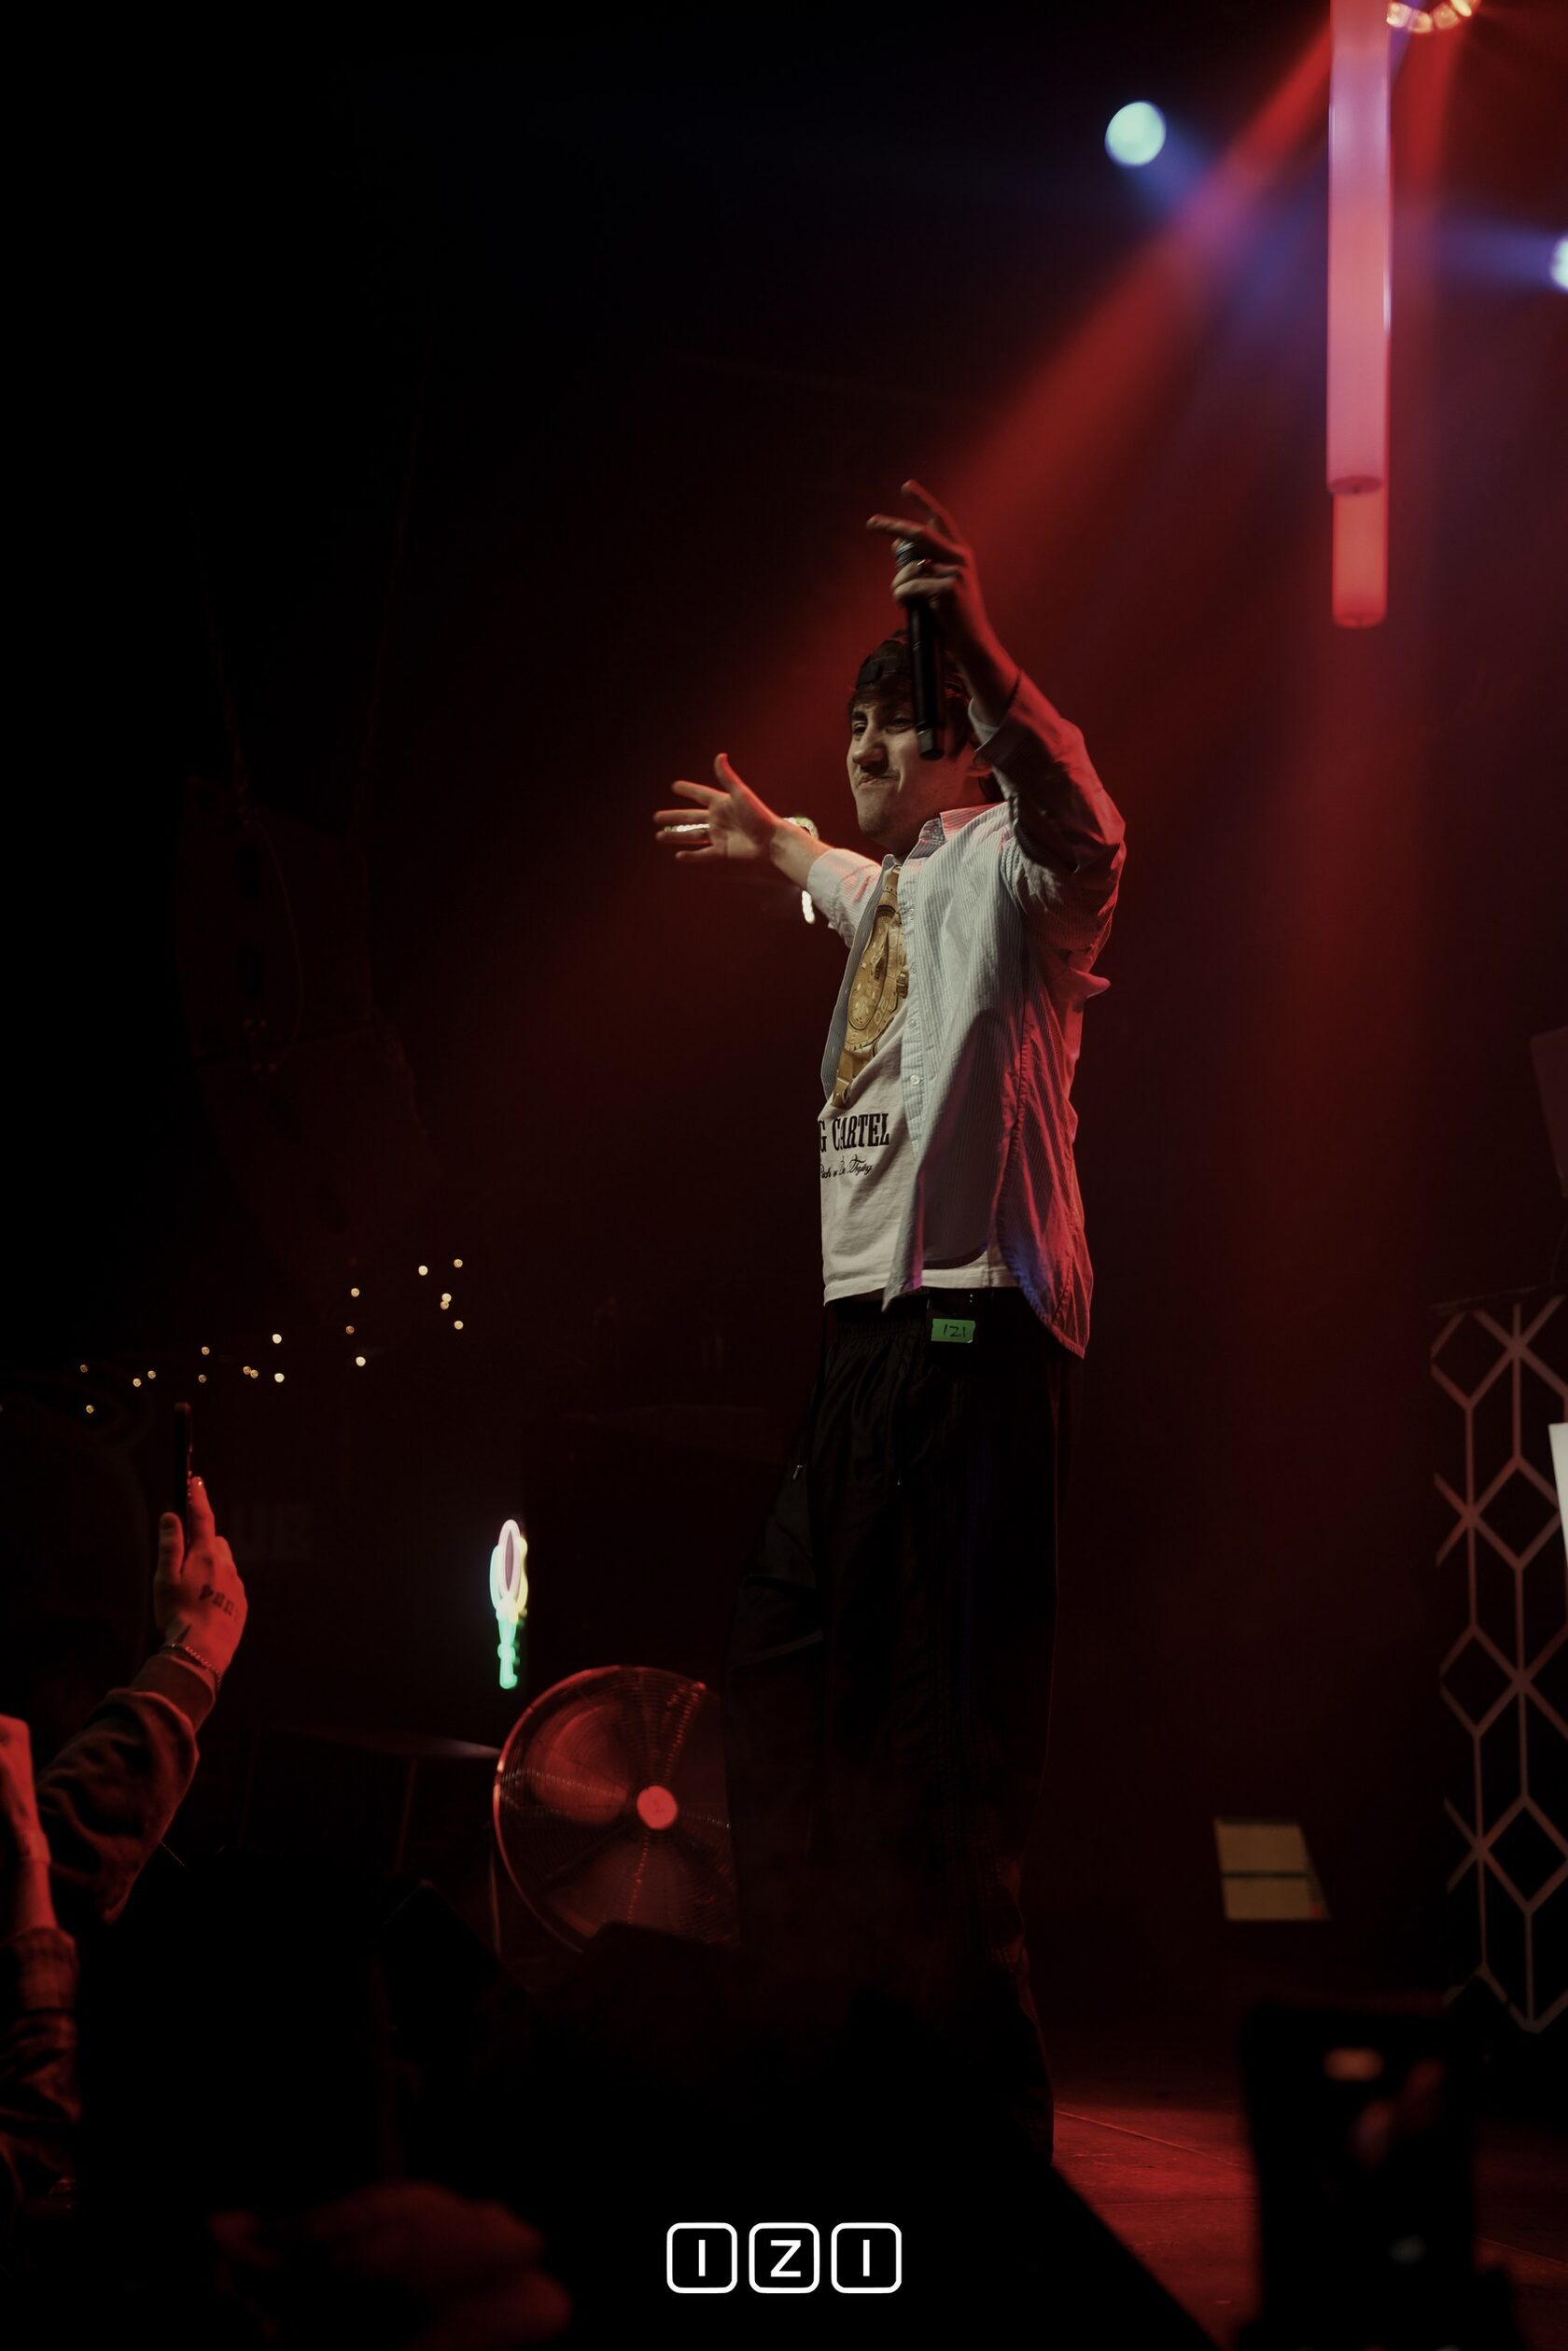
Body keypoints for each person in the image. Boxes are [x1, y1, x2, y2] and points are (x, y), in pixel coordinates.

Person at [653, 482, 1125, 2175]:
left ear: (962, 755)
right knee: (788, 1706)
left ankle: (988, 2164)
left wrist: (975, 645)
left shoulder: (1013, 873)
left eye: (895, 724)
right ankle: (824, 2097)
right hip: (859, 1362)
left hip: (970, 1349)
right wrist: (778, 840)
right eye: (853, 721)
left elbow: (1083, 818)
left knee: (938, 1774)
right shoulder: (893, 891)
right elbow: (841, 874)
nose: (863, 743)